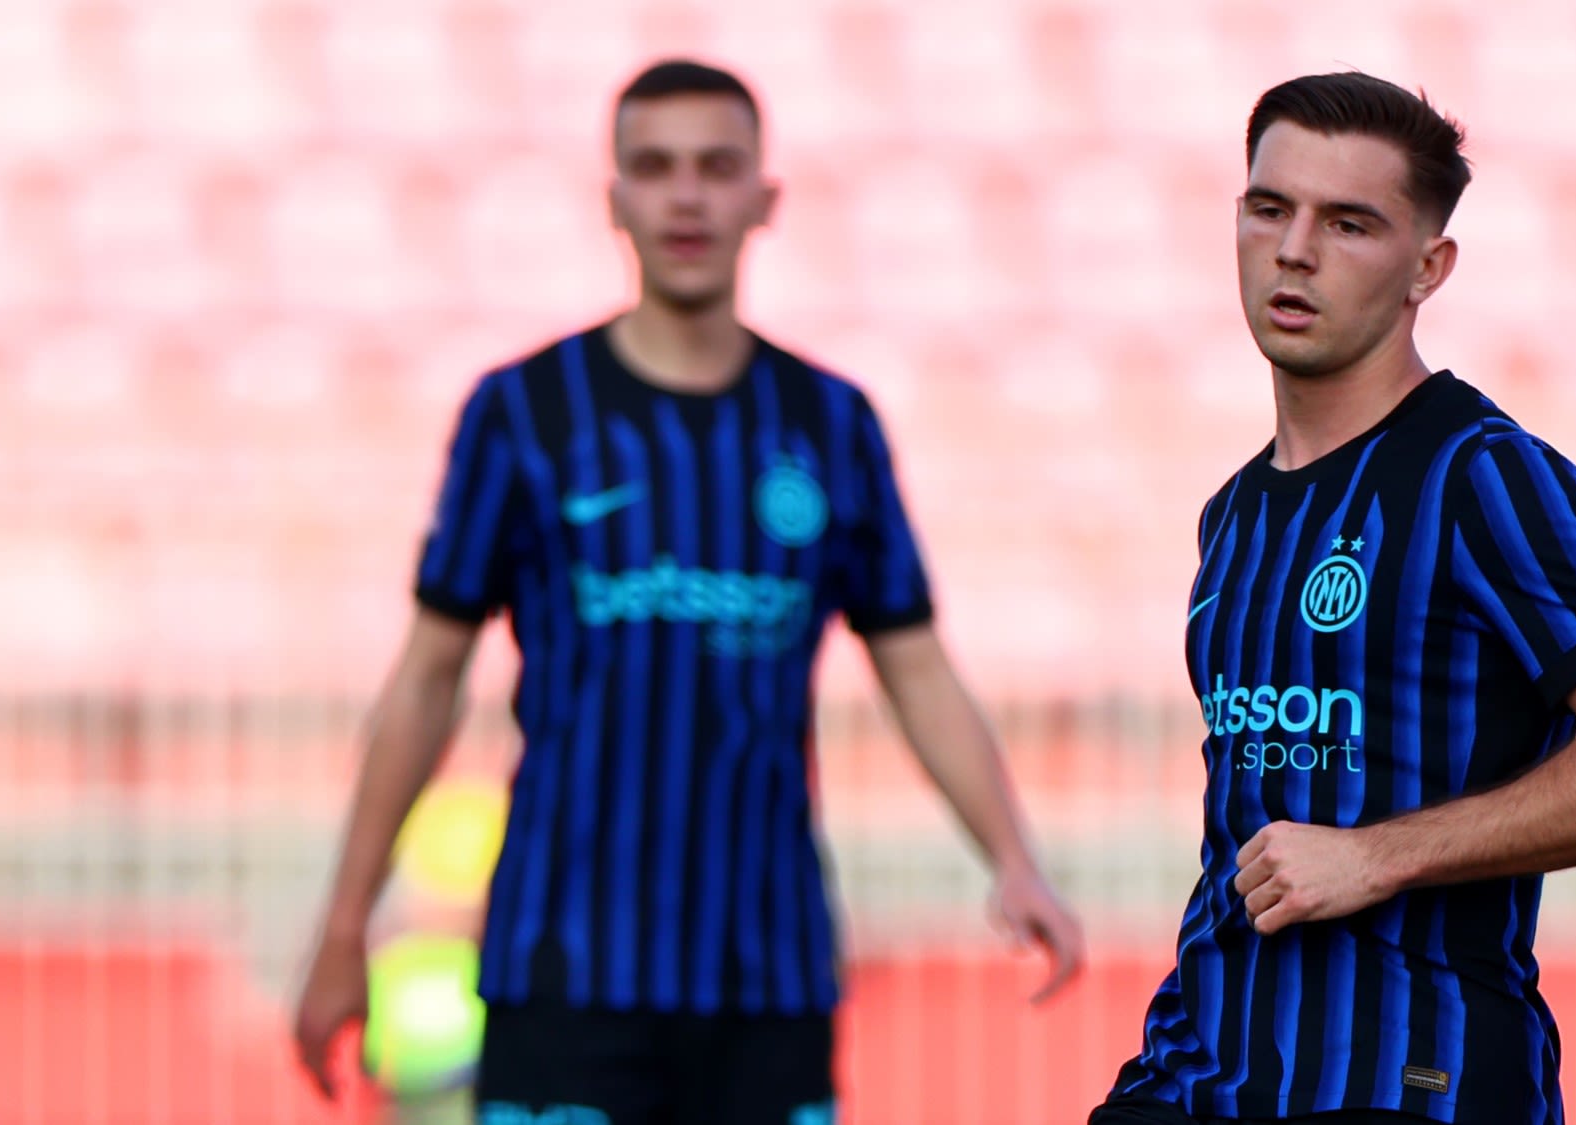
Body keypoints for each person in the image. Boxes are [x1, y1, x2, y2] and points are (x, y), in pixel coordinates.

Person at [291, 58, 1085, 1125]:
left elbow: (916, 667)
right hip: (563, 971)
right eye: (656, 167)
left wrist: (1012, 860)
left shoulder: (831, 424)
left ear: (765, 197)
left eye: (716, 167)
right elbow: (428, 676)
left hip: (766, 976)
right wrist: (346, 923)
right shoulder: (523, 416)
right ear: (614, 198)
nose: (686, 196)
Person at [1090, 72, 1576, 1125]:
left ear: (1428, 267)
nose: (1294, 250)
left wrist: (1376, 856)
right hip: (1200, 1074)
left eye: (1348, 224)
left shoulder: (1483, 478)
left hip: (1410, 1078)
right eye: (1269, 209)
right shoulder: (1232, 514)